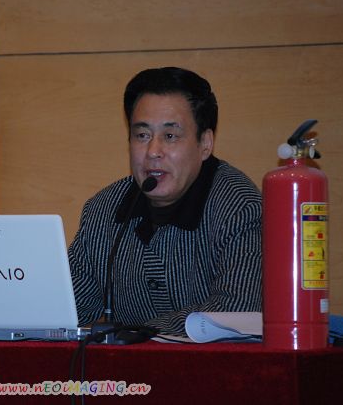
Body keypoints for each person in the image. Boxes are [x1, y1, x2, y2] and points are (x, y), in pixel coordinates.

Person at [68, 67, 262, 336]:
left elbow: (236, 311)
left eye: (170, 136)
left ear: (205, 144)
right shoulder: (103, 211)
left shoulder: (240, 208)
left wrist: (137, 336)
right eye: (142, 135)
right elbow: (67, 312)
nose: (153, 152)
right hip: (127, 362)